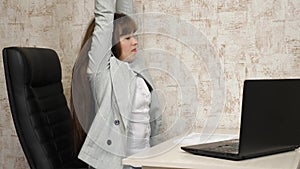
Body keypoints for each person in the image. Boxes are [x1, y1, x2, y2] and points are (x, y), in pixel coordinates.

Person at [70, 0, 162, 168]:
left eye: (134, 35)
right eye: (127, 38)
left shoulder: (134, 64)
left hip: (146, 163)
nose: (135, 42)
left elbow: (126, 14)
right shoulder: (102, 73)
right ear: (110, 44)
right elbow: (105, 19)